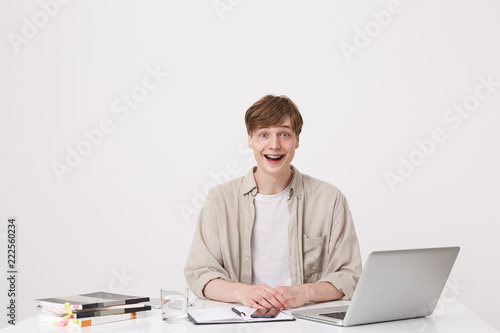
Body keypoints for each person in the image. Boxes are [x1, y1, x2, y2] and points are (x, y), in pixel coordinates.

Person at [184, 95, 361, 311]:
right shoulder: (220, 199)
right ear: (250, 139)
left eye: (284, 134)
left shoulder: (330, 199)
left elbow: (349, 275)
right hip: (240, 322)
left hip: (307, 323)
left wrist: (304, 292)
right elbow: (200, 273)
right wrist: (242, 292)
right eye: (264, 134)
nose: (274, 145)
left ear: (297, 140)